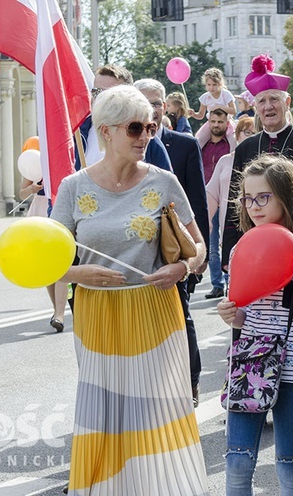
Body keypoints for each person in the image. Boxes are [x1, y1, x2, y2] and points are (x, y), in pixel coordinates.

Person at [50, 85, 209, 494]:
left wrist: (182, 267)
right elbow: (47, 259)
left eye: (151, 127)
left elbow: (199, 246)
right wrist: (77, 275)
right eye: (135, 127)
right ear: (105, 132)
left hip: (156, 310)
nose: (145, 136)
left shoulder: (164, 181)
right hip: (98, 312)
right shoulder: (73, 187)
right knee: (105, 410)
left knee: (156, 412)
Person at [216, 155, 293, 495]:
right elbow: (241, 313)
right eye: (248, 198)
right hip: (251, 360)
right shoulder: (242, 248)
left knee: (289, 462)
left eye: (263, 197)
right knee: (237, 459)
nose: (254, 206)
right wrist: (230, 314)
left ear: (287, 196)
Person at [135, 78, 209, 407]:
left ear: (166, 106)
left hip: (176, 250)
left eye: (157, 103)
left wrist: (200, 252)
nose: (152, 108)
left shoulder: (182, 144)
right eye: (145, 102)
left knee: (182, 315)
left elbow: (196, 200)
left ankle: (190, 381)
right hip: (137, 257)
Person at [221, 54, 293, 269]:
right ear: (255, 107)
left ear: (287, 102)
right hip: (255, 249)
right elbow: (237, 202)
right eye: (262, 101)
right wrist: (230, 248)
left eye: (274, 99)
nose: (268, 106)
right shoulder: (246, 148)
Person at [206, 117, 254, 298]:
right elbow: (212, 194)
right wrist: (205, 226)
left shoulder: (263, 161)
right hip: (229, 228)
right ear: (237, 135)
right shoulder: (225, 161)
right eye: (247, 132)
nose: (250, 136)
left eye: (255, 132)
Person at [19, 176, 68, 332]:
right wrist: (31, 189)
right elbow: (22, 194)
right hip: (39, 212)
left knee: (61, 262)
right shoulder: (34, 164)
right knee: (47, 265)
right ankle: (56, 310)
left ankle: (60, 313)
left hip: (59, 207)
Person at [198, 108, 236, 299]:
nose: (216, 125)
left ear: (226, 123)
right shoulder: (203, 145)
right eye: (213, 121)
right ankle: (217, 283)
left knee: (228, 239)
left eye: (220, 122)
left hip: (228, 196)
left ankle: (232, 281)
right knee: (211, 244)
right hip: (209, 195)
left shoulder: (229, 145)